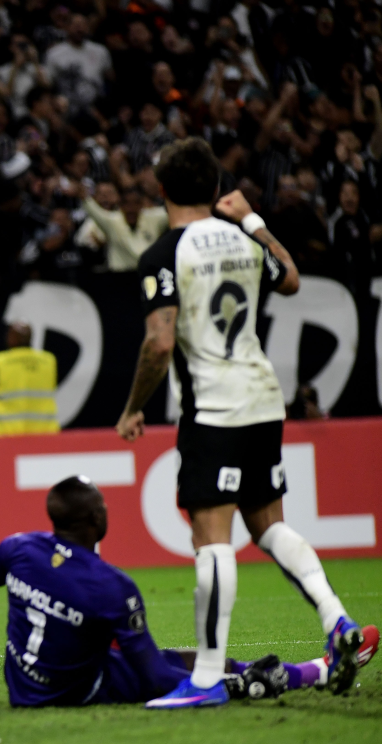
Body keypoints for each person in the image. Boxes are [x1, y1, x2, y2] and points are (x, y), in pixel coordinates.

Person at [115, 138, 366, 708]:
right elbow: (292, 279)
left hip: (214, 405)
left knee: (211, 538)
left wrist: (133, 407)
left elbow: (159, 344)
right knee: (269, 524)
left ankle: (204, 680)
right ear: (214, 188)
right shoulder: (245, 240)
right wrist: (250, 216)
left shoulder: (163, 253)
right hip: (262, 397)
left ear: (160, 191)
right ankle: (336, 619)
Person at [0, 476, 378, 706]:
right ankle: (311, 673)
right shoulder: (113, 586)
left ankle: (310, 669)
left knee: (181, 658)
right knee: (186, 673)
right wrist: (231, 685)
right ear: (96, 518)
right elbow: (156, 679)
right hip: (81, 688)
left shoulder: (17, 548)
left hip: (23, 688)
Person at [0, 321, 59, 435]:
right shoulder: (48, 361)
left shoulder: (0, 362)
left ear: (13, 337)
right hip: (45, 433)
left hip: (6, 434)